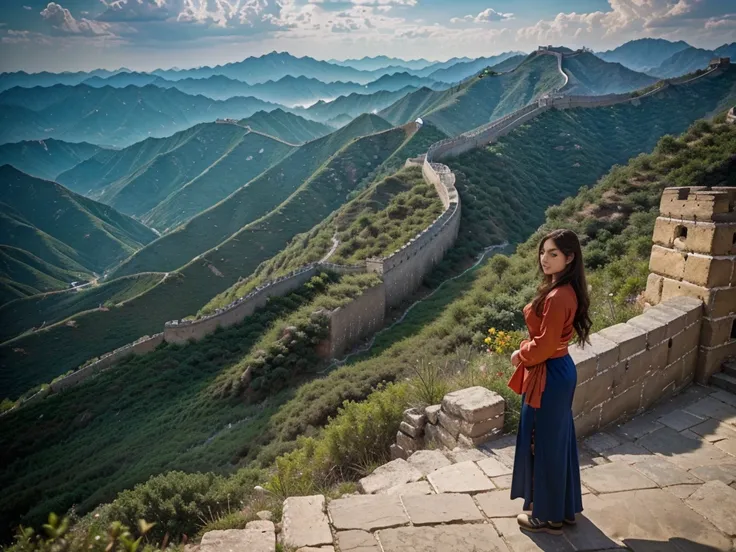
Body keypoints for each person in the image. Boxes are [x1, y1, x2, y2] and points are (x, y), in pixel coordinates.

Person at [507, 229, 592, 535]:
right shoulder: (566, 289)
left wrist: (521, 353)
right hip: (559, 368)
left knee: (541, 442)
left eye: (553, 254)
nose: (545, 259)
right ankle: (562, 510)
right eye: (543, 252)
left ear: (569, 257)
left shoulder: (557, 296)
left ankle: (547, 517)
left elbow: (544, 345)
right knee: (555, 440)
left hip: (549, 373)